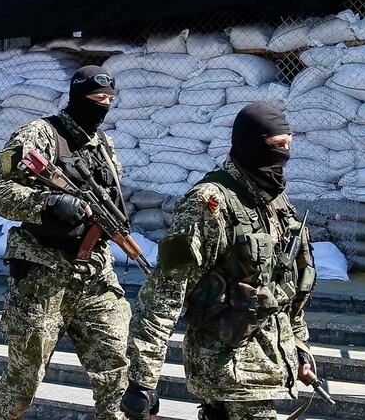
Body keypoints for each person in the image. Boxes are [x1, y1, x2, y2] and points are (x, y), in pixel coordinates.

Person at [121, 102, 318, 420]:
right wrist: (143, 381)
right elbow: (164, 294)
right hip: (226, 370)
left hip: (268, 368)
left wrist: (300, 346)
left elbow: (284, 285)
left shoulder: (274, 200)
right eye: (277, 145)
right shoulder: (207, 204)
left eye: (288, 145)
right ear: (251, 143)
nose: (284, 154)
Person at [0, 66, 131, 420]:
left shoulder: (103, 145)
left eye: (110, 100)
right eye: (97, 98)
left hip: (94, 274)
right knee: (24, 379)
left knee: (117, 372)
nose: (104, 106)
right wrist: (48, 203)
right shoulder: (38, 135)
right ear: (78, 97)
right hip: (43, 276)